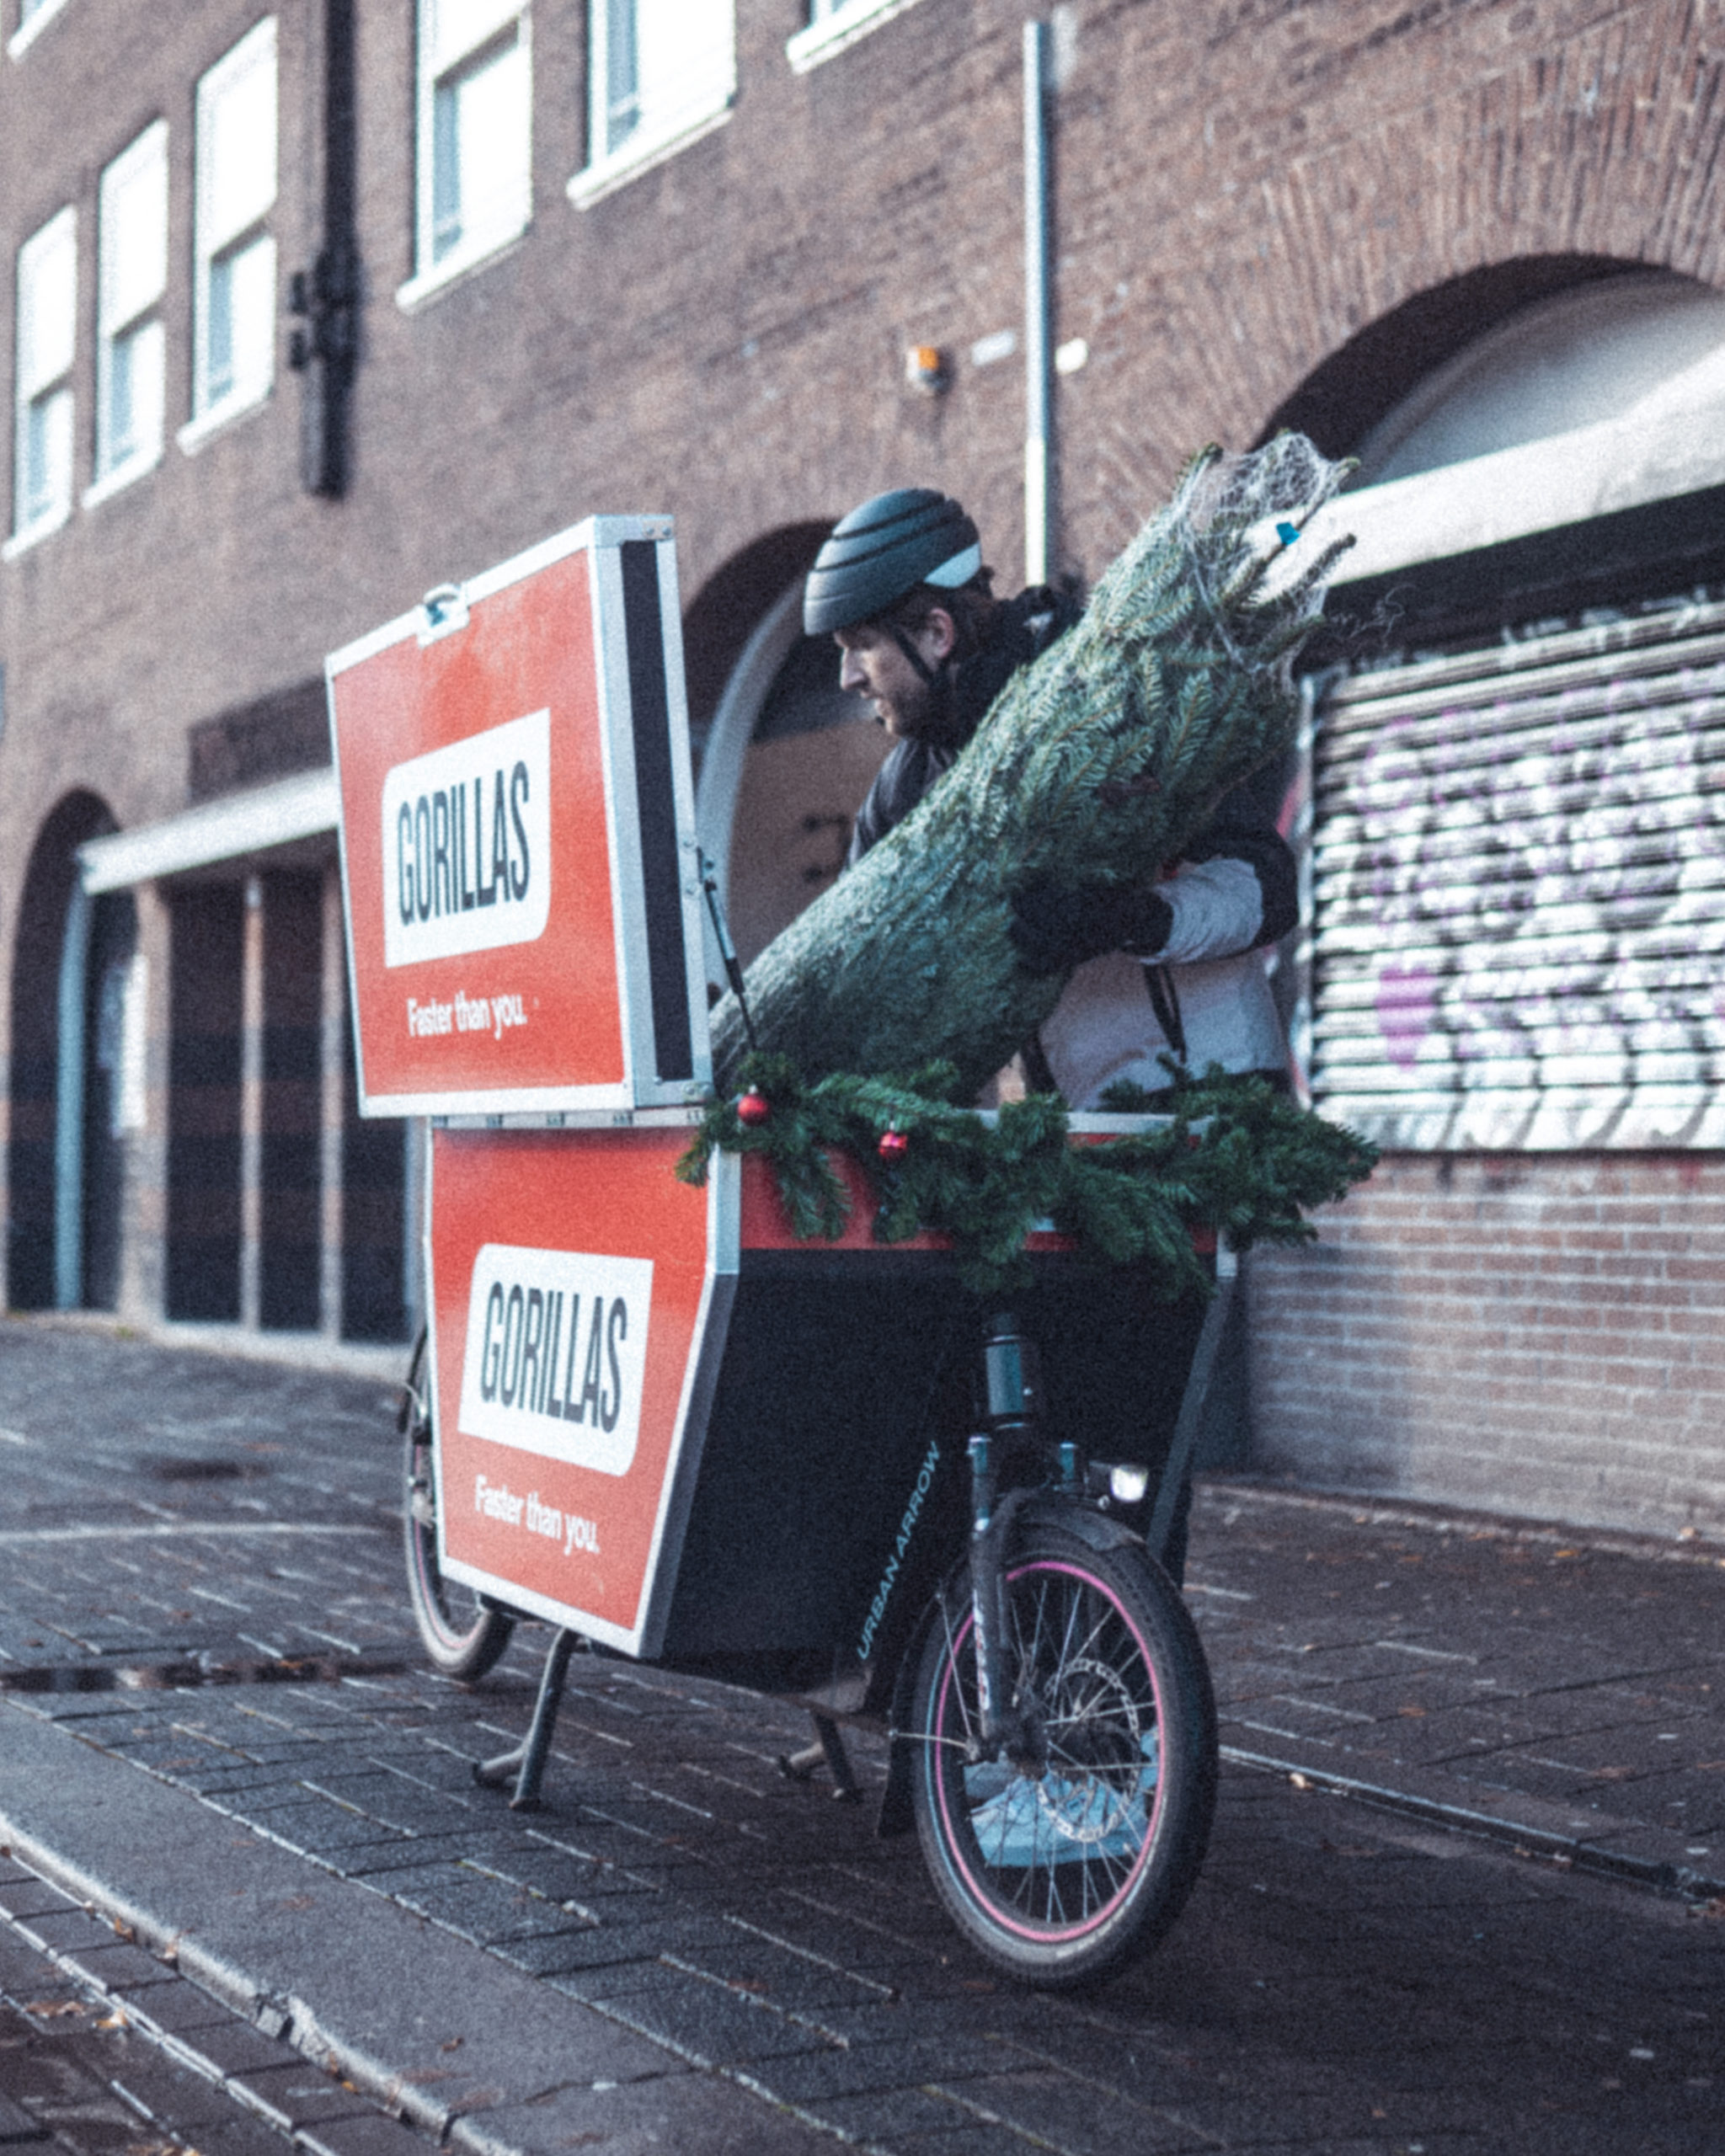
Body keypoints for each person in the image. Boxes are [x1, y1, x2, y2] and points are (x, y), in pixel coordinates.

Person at [804, 485, 1300, 1579]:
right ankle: (969, 1677)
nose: (847, 680)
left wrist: (1129, 918)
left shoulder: (1113, 697)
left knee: (1131, 1446)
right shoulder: (908, 783)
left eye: (858, 650)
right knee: (999, 1416)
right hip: (1071, 1139)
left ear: (933, 632)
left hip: (1194, 1114)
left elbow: (1267, 888)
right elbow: (870, 960)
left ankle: (1113, 1705)